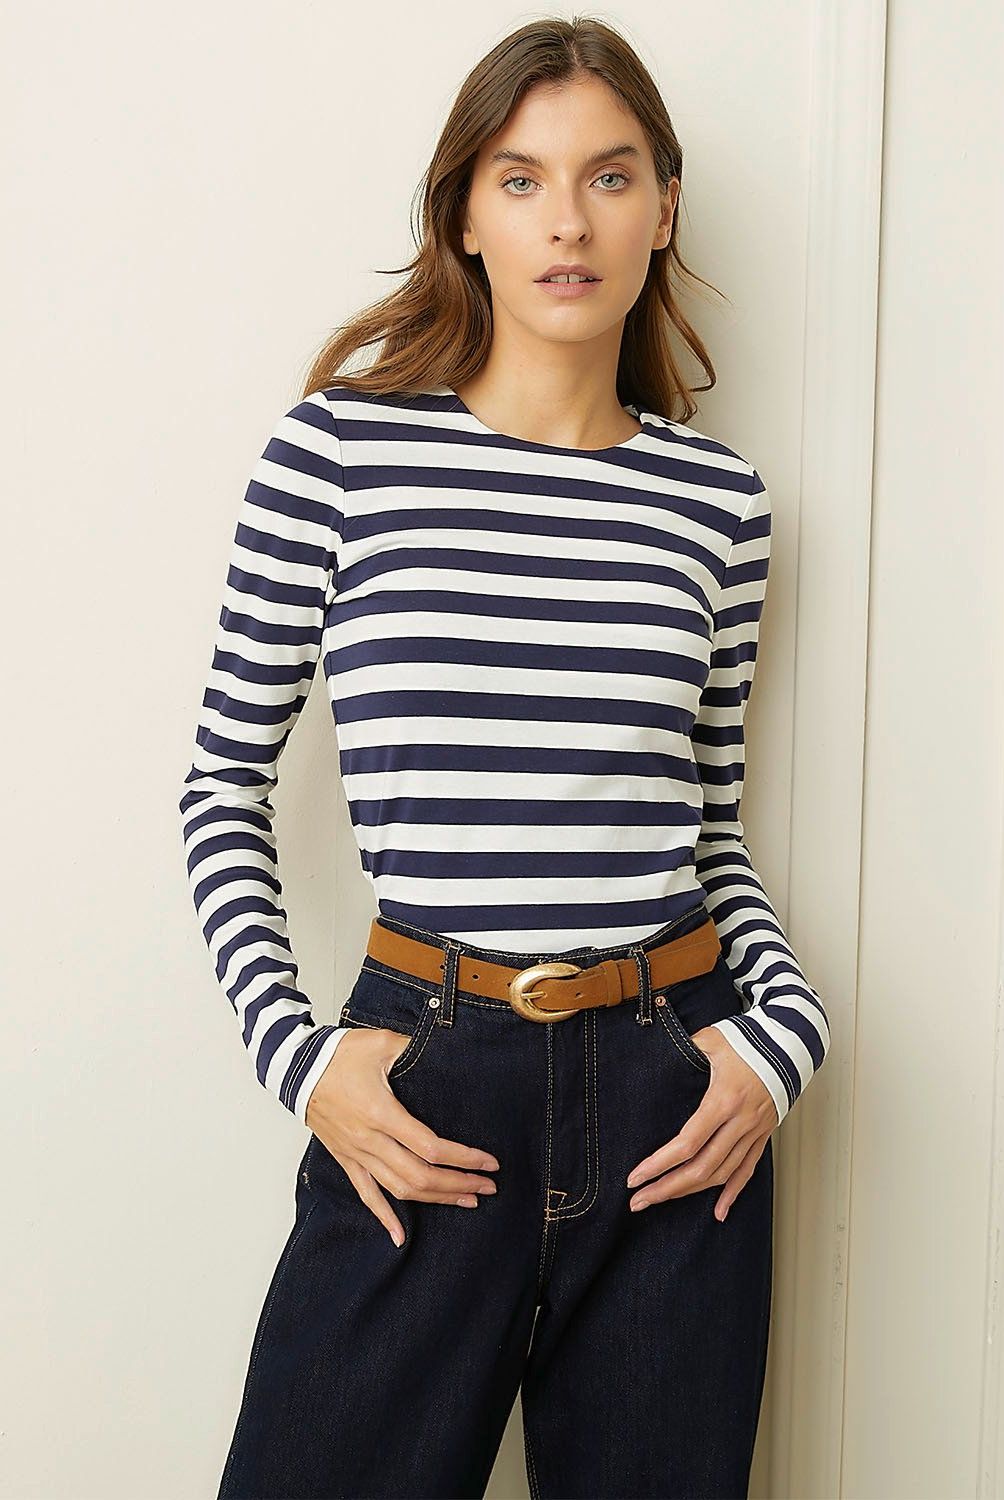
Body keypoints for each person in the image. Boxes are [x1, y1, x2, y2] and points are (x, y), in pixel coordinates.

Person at [178, 15, 830, 1499]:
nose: (567, 221)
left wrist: (782, 1040)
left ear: (663, 209)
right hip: (425, 1083)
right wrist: (303, 1061)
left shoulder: (719, 507)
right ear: (464, 214)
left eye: (610, 176)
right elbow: (220, 788)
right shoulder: (336, 458)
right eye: (522, 179)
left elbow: (708, 833)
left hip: (679, 1097)